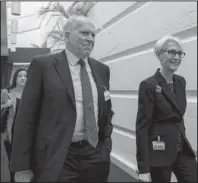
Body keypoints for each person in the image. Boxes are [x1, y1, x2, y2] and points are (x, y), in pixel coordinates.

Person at [10, 15, 114, 182]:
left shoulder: (102, 70)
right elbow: (25, 118)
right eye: (84, 33)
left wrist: (106, 146)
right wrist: (22, 167)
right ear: (67, 36)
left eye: (93, 35)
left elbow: (106, 110)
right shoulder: (43, 65)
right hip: (58, 156)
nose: (90, 39)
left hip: (95, 155)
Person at [135, 35, 197, 183]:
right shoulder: (148, 85)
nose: (177, 57)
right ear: (159, 55)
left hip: (181, 148)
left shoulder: (181, 82)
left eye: (179, 53)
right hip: (159, 152)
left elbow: (178, 117)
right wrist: (143, 168)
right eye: (171, 52)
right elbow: (142, 127)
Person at [1, 68, 27, 183]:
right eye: (20, 76)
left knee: (26, 163)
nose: (23, 78)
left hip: (26, 134)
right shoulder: (6, 92)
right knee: (12, 162)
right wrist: (6, 105)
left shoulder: (30, 93)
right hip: (11, 134)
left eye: (25, 76)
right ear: (15, 78)